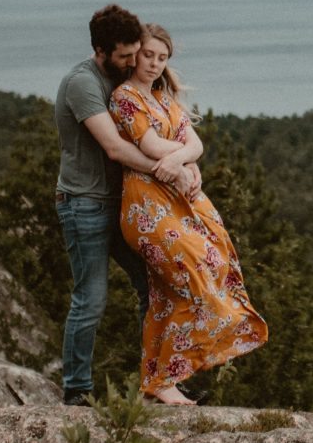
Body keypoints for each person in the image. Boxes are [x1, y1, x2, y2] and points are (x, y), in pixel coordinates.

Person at [108, 22, 266, 405]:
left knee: (169, 294)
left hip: (179, 204)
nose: (155, 64)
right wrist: (181, 160)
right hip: (147, 209)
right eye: (148, 55)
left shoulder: (164, 97)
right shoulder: (124, 97)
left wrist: (181, 161)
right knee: (192, 276)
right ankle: (164, 380)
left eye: (162, 58)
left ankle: (155, 384)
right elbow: (147, 143)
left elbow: (193, 141)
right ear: (134, 55)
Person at [53, 3, 184, 406]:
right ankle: (77, 389)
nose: (133, 62)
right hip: (85, 204)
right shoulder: (83, 83)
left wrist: (179, 160)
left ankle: (158, 382)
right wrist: (169, 168)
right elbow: (113, 148)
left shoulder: (125, 82)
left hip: (126, 205)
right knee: (91, 298)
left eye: (137, 54)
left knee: (155, 286)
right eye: (125, 55)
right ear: (101, 51)